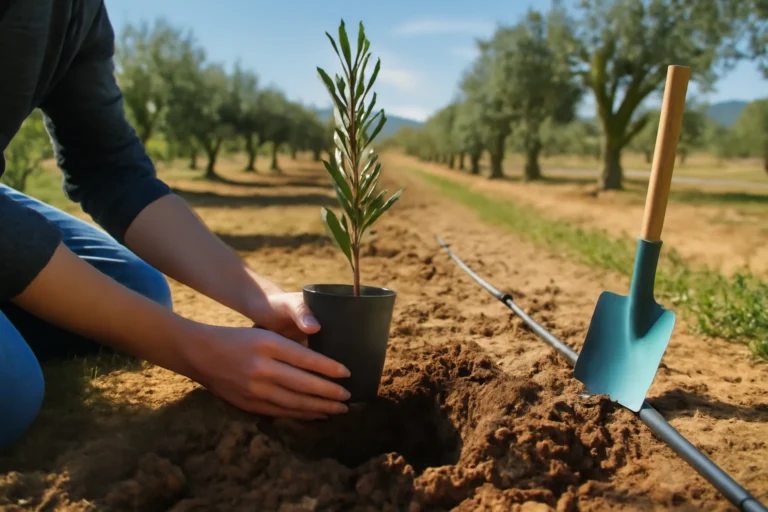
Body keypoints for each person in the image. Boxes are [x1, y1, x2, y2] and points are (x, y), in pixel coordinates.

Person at [0, 0, 351, 450]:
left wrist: (260, 296)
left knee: (141, 291)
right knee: (10, 392)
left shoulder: (80, 12)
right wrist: (195, 351)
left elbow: (109, 169)